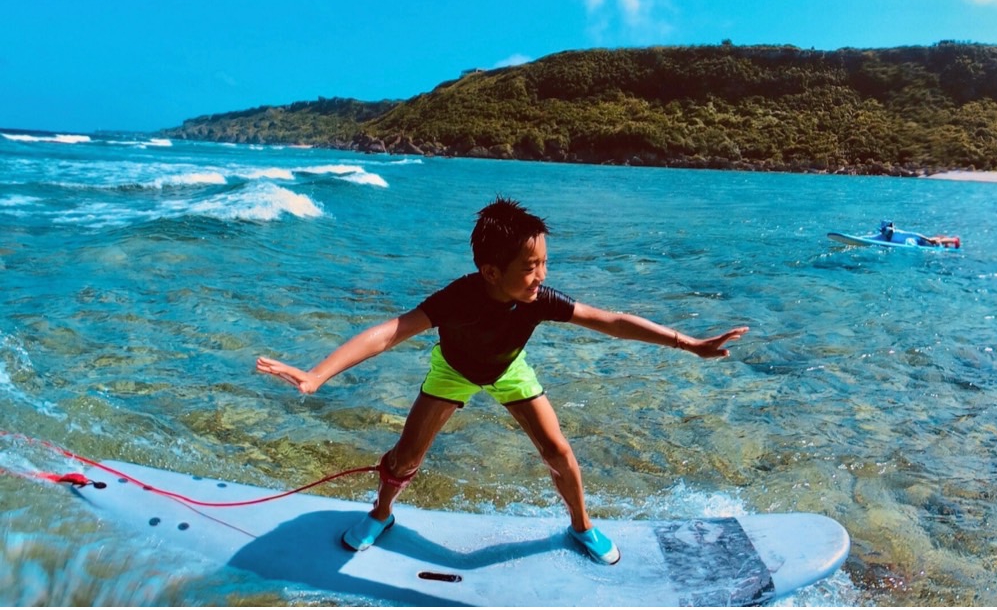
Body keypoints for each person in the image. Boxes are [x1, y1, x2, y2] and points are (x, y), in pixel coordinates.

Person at [256, 197, 749, 565]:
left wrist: (690, 343)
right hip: (453, 368)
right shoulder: (459, 298)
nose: (541, 276)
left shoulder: (541, 300)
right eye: (530, 267)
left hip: (509, 367)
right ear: (491, 270)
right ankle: (381, 513)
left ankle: (581, 526)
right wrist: (317, 373)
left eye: (544, 264)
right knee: (407, 455)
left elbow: (610, 320)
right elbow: (391, 332)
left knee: (558, 452)